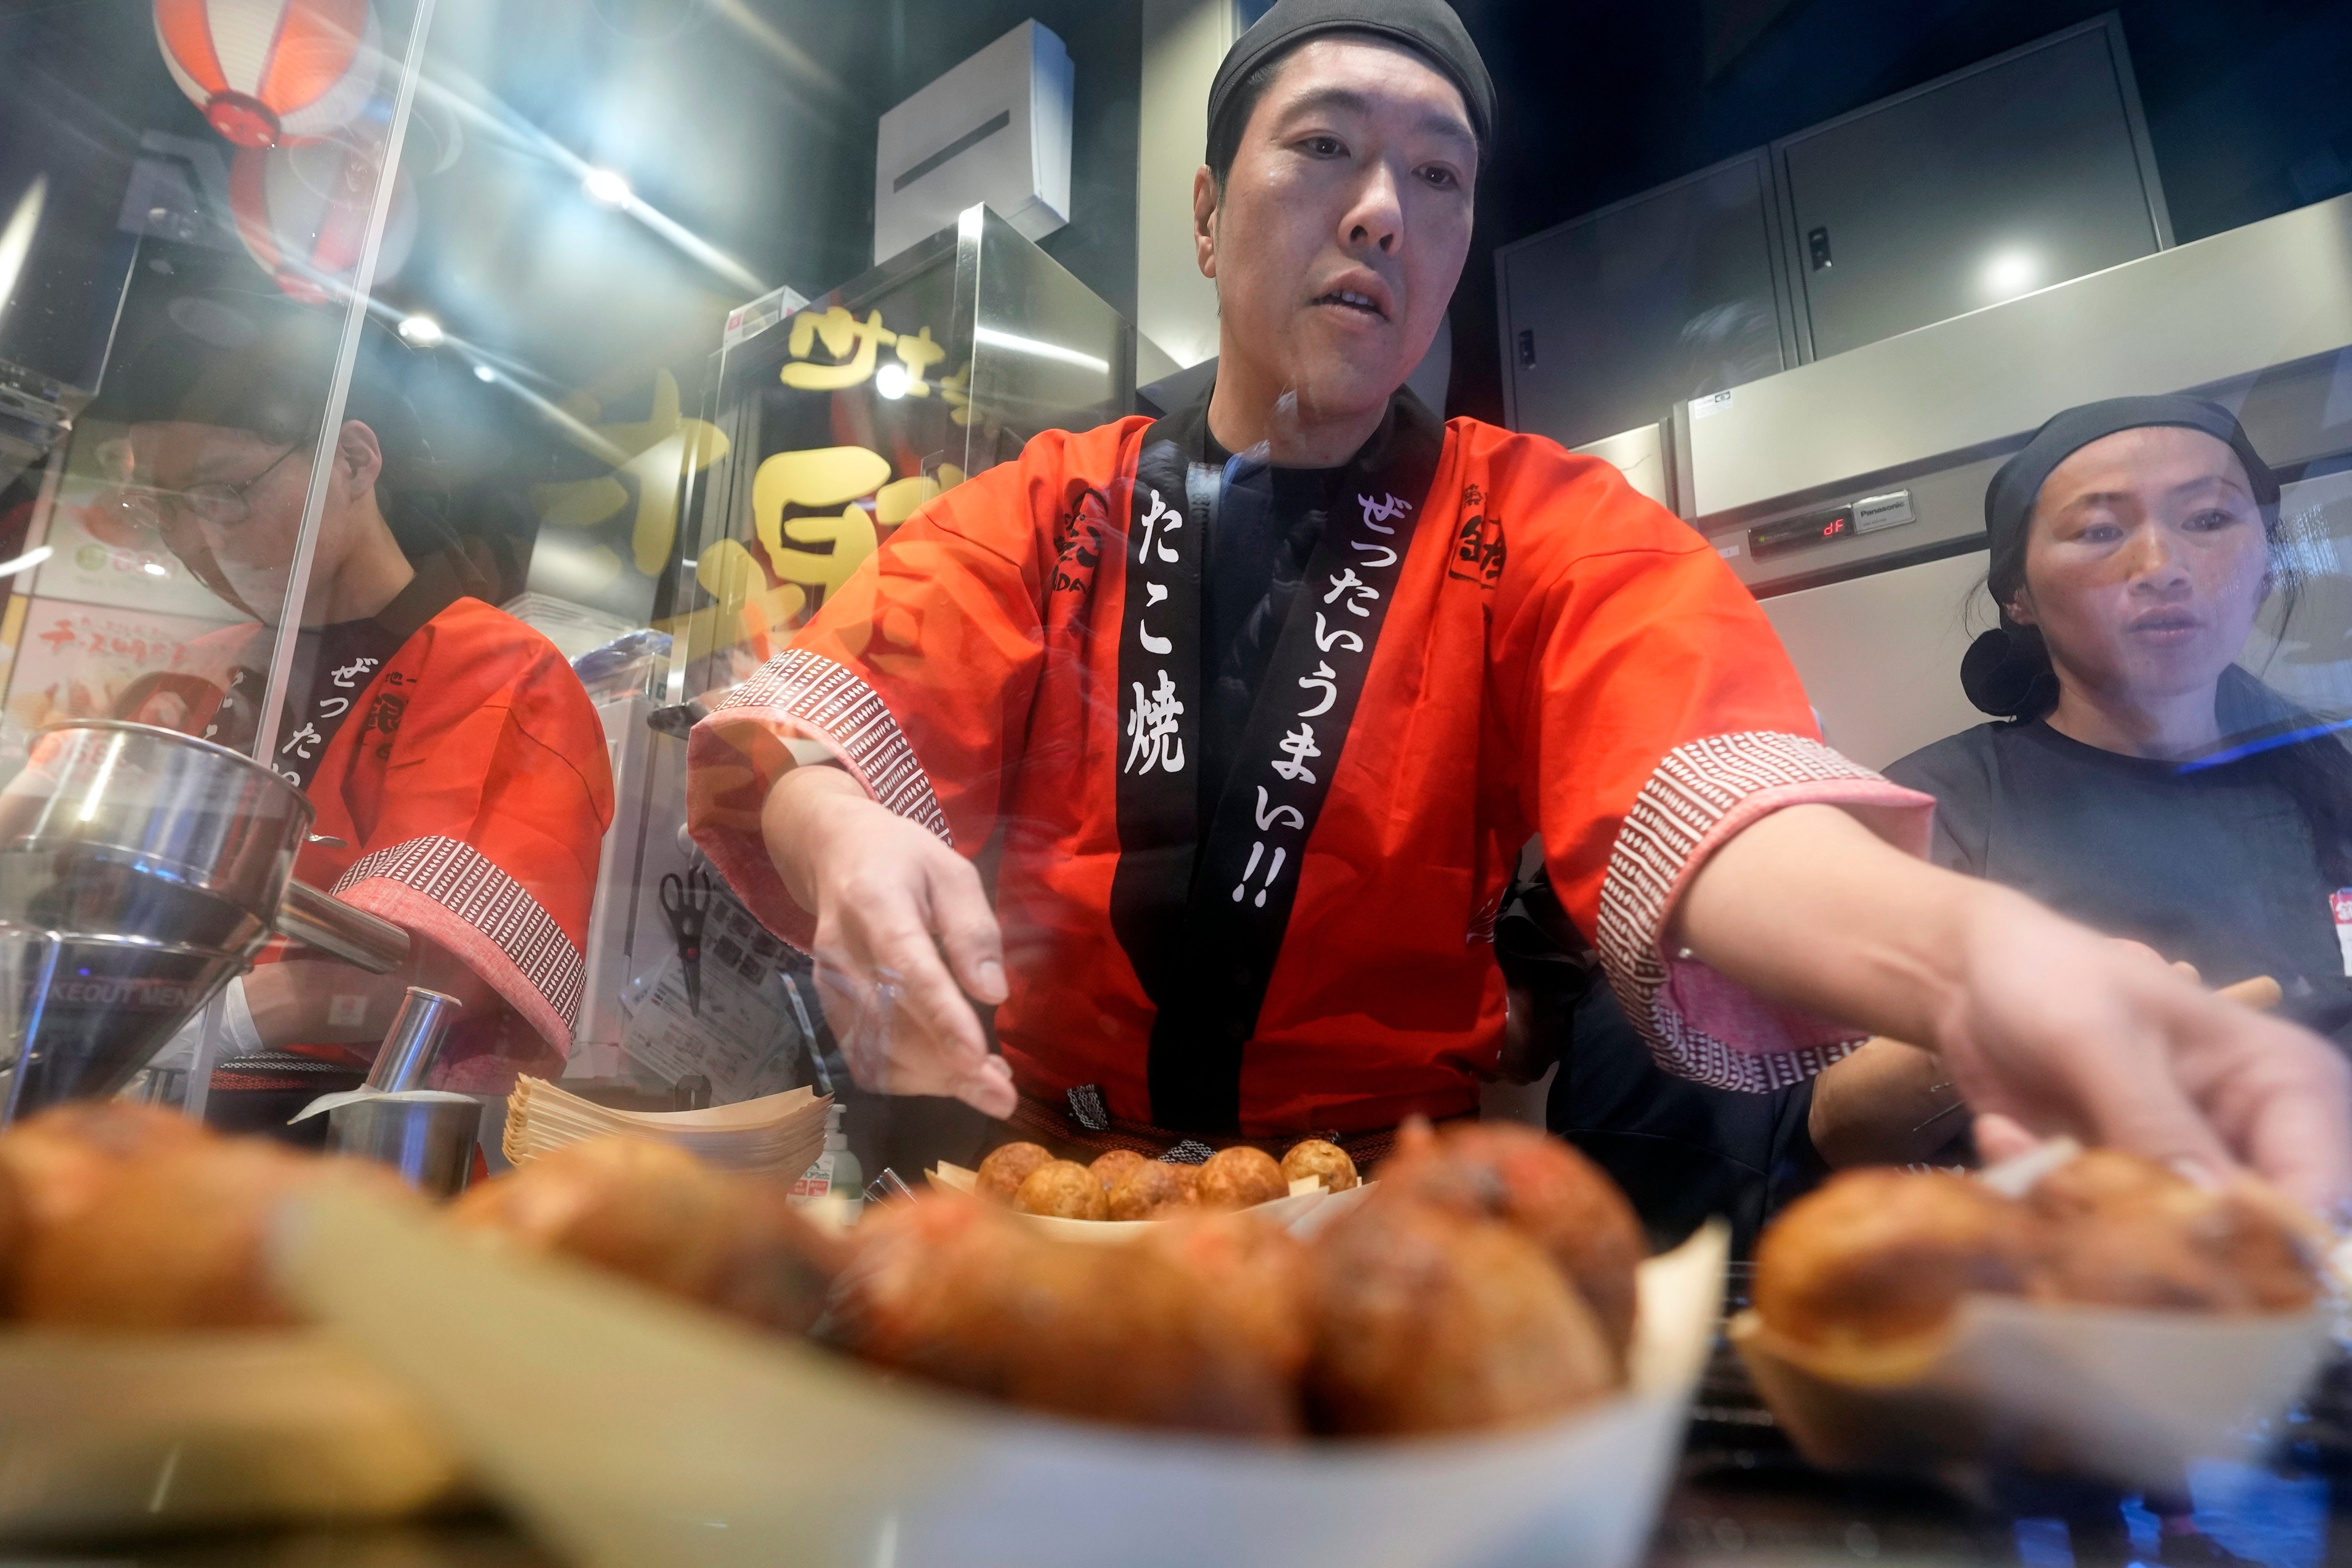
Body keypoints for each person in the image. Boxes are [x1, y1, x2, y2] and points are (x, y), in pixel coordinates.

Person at [686, 0, 2350, 1212]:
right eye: (1323, 148)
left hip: (1377, 1204)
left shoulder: (1546, 524)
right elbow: (839, 709)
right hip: (1029, 1181)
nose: (1380, 210)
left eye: (1437, 175)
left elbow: (1711, 789)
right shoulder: (1051, 499)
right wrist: (838, 833)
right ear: (1204, 213)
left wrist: (1976, 963)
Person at [91, 296, 614, 1131]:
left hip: (325, 1138)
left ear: (355, 461)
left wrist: (224, 1021)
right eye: (162, 507)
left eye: (224, 493)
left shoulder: (495, 667)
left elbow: (445, 974)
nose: (195, 538)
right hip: (123, 1109)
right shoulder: (204, 670)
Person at [1809, 396, 2352, 1171]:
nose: (2161, 567)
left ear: (2267, 568)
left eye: (2207, 520)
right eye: (2100, 530)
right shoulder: (1944, 806)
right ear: (2019, 598)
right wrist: (2035, 1023)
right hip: (2084, 1264)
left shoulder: (2333, 773)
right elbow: (1842, 1125)